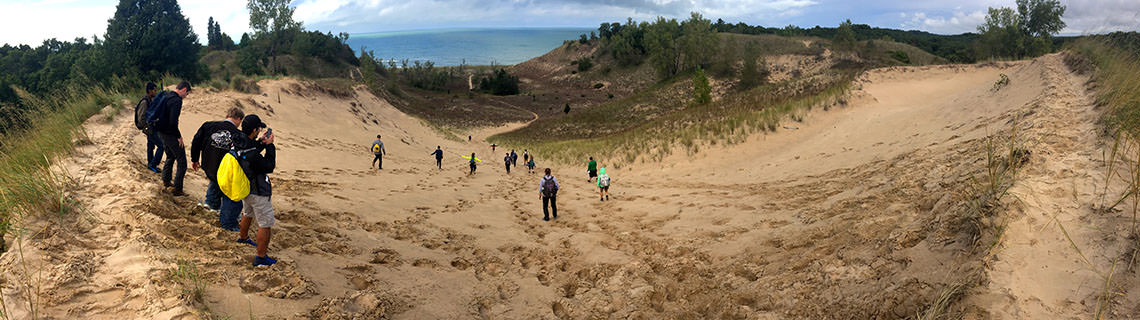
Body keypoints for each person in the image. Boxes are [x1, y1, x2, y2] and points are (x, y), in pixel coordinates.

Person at [190, 107, 247, 230]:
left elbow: (196, 141)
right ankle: (219, 209)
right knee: (224, 188)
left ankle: (211, 204)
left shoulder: (208, 125)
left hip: (208, 164)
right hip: (225, 169)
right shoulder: (237, 133)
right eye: (240, 121)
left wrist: (194, 159)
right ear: (238, 118)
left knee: (215, 181)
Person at [235, 115, 278, 267]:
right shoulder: (252, 153)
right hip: (258, 190)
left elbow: (251, 147)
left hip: (245, 187)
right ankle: (261, 257)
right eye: (258, 129)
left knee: (248, 213)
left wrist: (262, 143)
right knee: (265, 224)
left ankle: (243, 237)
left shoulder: (239, 139)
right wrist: (271, 146)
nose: (260, 131)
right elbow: (269, 166)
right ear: (254, 130)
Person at [155, 81, 192, 196]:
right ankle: (177, 188)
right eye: (187, 94)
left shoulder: (167, 95)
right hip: (169, 133)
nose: (186, 97)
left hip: (160, 130)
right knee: (182, 161)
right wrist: (178, 136)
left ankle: (166, 180)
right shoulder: (176, 101)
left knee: (170, 156)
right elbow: (173, 121)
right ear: (184, 90)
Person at [136, 82, 164, 173]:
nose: (155, 92)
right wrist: (147, 127)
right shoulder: (145, 102)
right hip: (149, 128)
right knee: (161, 146)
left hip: (151, 127)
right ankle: (153, 164)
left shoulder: (150, 100)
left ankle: (150, 163)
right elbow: (141, 118)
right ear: (149, 91)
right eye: (154, 90)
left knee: (151, 145)